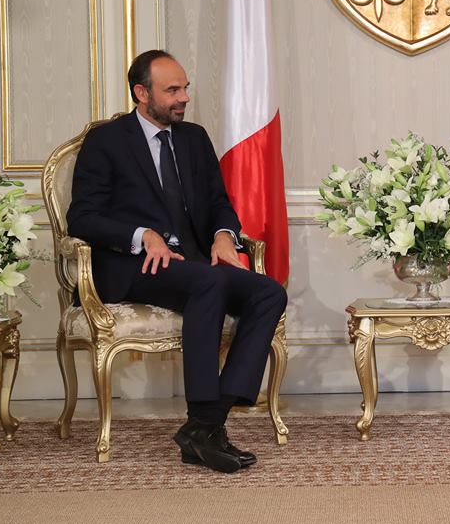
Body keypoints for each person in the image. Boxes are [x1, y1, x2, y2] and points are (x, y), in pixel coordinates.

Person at [67, 49, 288, 474]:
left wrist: (223, 235)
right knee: (210, 283)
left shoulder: (194, 138)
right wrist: (141, 235)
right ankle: (205, 426)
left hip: (193, 264)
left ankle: (206, 424)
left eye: (185, 88)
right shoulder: (106, 141)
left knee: (268, 292)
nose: (183, 97)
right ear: (142, 93)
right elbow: (82, 217)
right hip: (134, 267)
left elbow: (219, 202)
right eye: (172, 90)